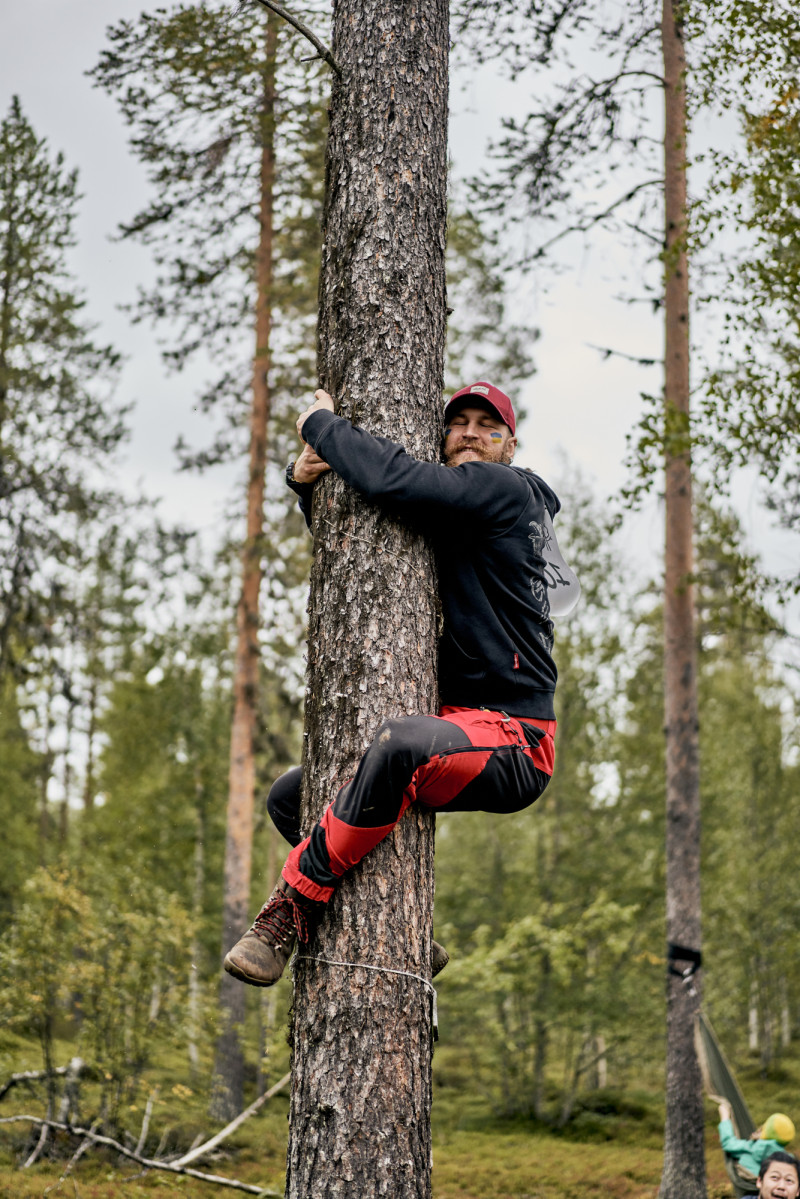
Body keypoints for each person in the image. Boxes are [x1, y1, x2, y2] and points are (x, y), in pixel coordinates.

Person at [224, 380, 570, 988]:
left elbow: (396, 480)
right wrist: (305, 484)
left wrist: (322, 428)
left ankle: (288, 910)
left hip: (517, 739)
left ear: (509, 446)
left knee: (401, 744)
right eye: (457, 422)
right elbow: (367, 547)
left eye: (487, 427)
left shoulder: (505, 490)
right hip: (459, 725)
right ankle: (407, 928)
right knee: (290, 797)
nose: (469, 433)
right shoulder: (461, 515)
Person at [718, 1101, 797, 1181]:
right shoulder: (789, 1162)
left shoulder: (753, 1148)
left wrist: (725, 1118)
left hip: (750, 1189)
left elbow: (728, 1143)